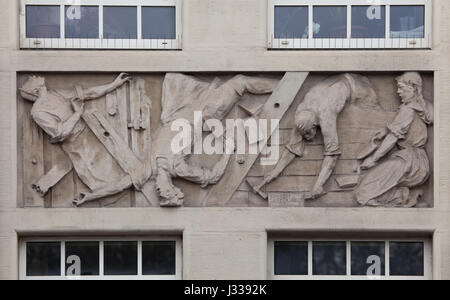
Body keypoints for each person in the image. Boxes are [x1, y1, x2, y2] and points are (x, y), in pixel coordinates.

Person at [19, 73, 148, 206]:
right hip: (77, 145)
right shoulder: (38, 112)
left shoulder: (55, 94)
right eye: (32, 79)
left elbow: (88, 93)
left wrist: (114, 84)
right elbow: (60, 132)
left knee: (117, 162)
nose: (34, 77)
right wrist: (77, 113)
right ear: (35, 90)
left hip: (91, 132)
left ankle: (44, 185)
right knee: (102, 177)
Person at [153, 73, 279, 207]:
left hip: (178, 103)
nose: (159, 191)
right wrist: (227, 151)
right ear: (174, 189)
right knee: (239, 82)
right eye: (167, 194)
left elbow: (129, 167)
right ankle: (285, 87)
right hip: (203, 113)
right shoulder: (178, 168)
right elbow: (212, 177)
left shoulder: (150, 166)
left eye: (161, 194)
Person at [248, 73, 379, 200]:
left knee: (375, 117)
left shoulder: (326, 114)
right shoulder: (301, 111)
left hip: (359, 89)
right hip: (337, 86)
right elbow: (292, 149)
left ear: (316, 125)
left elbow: (332, 155)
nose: (307, 138)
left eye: (308, 134)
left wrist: (318, 186)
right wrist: (273, 174)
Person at [354, 72, 433, 207]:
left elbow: (393, 138)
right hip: (415, 161)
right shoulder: (421, 107)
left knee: (363, 192)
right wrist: (386, 130)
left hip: (410, 163)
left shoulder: (408, 110)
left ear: (413, 88)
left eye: (401, 88)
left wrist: (373, 159)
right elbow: (405, 127)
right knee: (373, 184)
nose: (398, 92)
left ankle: (407, 196)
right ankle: (407, 194)